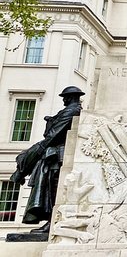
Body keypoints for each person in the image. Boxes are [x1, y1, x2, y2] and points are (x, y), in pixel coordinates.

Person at [10, 86, 85, 235]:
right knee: (49, 187)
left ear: (71, 97)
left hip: (58, 156)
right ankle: (51, 221)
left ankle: (52, 222)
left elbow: (51, 135)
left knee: (53, 189)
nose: (63, 100)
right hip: (55, 155)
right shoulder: (68, 111)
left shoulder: (71, 111)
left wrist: (36, 150)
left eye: (65, 97)